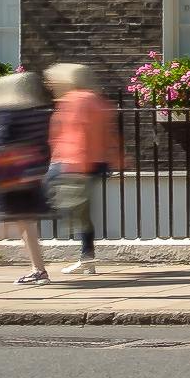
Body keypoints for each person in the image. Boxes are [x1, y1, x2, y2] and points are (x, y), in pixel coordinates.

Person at [0, 67, 55, 283]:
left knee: (16, 221)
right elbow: (43, 145)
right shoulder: (37, 114)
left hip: (9, 175)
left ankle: (37, 270)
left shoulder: (7, 115)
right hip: (28, 175)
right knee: (17, 221)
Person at [42, 63, 117, 276]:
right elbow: (108, 133)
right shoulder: (96, 100)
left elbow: (79, 132)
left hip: (72, 161)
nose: (49, 85)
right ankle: (87, 258)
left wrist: (78, 164)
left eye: (51, 81)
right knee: (82, 213)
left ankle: (86, 255)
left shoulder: (75, 100)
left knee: (38, 200)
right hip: (93, 161)